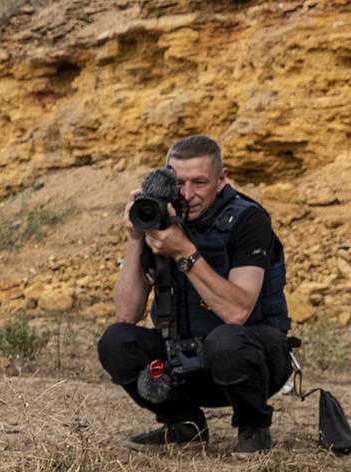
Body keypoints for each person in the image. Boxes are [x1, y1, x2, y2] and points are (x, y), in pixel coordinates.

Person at [97, 134, 292, 454]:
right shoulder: (161, 219)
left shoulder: (248, 220)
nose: (187, 195)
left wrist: (184, 252)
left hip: (251, 361)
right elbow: (127, 314)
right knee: (116, 341)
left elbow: (237, 312)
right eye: (179, 183)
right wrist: (136, 237)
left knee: (225, 340)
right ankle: (183, 424)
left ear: (221, 179)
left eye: (199, 182)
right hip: (184, 361)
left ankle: (253, 425)